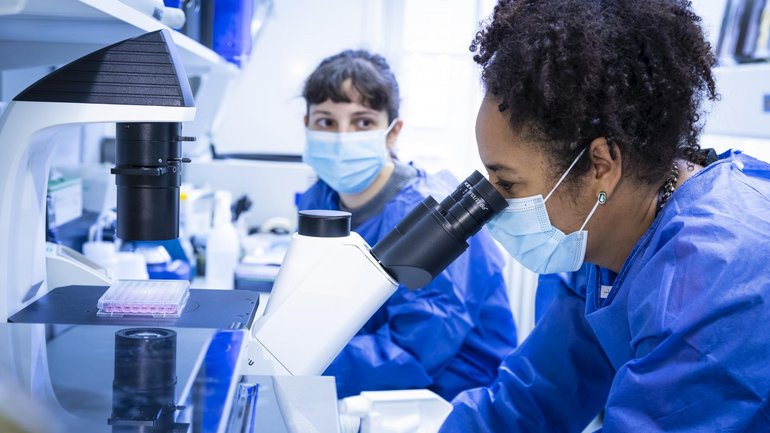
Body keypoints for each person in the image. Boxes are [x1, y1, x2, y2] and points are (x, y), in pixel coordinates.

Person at [439, 0, 770, 431]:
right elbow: (534, 396)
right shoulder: (602, 242)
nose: (494, 204)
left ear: (600, 165)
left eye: (508, 183)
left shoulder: (722, 268)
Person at [296, 49, 519, 401]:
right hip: (368, 386)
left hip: (451, 399)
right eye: (326, 121)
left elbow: (414, 351)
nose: (342, 136)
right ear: (306, 124)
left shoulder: (432, 219)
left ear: (392, 131)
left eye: (363, 122)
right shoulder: (320, 201)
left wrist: (299, 361)